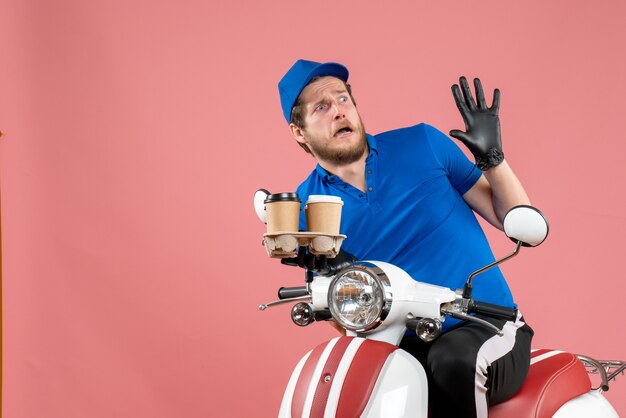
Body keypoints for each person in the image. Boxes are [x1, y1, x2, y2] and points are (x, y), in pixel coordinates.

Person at [277, 59, 534, 418]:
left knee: (451, 360)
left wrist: (493, 159)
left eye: (343, 99)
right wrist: (340, 286)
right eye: (322, 107)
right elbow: (335, 309)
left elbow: (509, 215)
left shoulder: (423, 143)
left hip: (487, 328)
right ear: (299, 131)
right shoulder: (307, 207)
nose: (338, 111)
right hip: (398, 343)